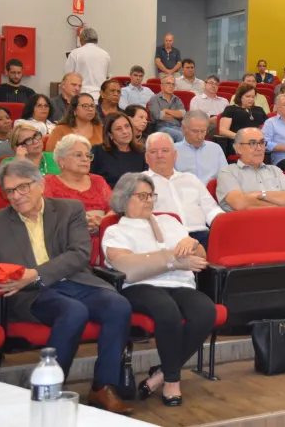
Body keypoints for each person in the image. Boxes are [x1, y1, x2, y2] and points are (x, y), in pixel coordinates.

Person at [0, 159, 133, 414]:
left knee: (118, 305)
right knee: (73, 311)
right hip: (30, 294)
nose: (16, 196)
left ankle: (104, 385)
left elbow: (79, 253)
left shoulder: (70, 210)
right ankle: (49, 392)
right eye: (9, 191)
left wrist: (37, 273)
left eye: (22, 187)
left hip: (73, 280)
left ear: (40, 185)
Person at [102, 173, 216, 407]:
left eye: (151, 195)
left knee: (206, 310)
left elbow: (201, 258)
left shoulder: (170, 222)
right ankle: (172, 381)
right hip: (140, 287)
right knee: (167, 311)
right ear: (124, 199)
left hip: (179, 284)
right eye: (141, 196)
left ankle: (161, 373)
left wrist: (194, 244)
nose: (149, 201)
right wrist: (174, 259)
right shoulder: (116, 231)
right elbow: (129, 267)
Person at [145, 133, 224, 247]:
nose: (160, 155)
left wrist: (223, 222)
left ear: (175, 155)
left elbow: (211, 209)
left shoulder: (190, 179)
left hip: (202, 236)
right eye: (153, 152)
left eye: (165, 150)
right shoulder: (140, 183)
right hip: (166, 240)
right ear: (146, 157)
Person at [44, 134, 113, 255]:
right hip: (68, 245)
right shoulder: (48, 183)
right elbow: (47, 219)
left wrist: (103, 221)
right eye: (78, 155)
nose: (85, 159)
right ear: (61, 160)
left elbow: (115, 209)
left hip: (104, 238)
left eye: (88, 156)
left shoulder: (98, 181)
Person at [216, 127, 285, 211]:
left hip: (280, 222)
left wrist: (260, 194)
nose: (259, 148)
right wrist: (279, 206)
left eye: (262, 142)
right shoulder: (228, 173)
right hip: (247, 222)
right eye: (252, 143)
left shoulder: (274, 170)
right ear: (238, 148)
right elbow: (240, 204)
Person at [90, 112, 146, 188]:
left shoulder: (141, 152)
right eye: (118, 129)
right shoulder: (98, 152)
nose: (125, 131)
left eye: (127, 126)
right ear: (110, 134)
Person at [175, 110, 226, 184]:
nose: (199, 136)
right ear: (183, 128)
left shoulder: (215, 148)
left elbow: (225, 177)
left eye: (203, 131)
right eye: (194, 131)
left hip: (210, 193)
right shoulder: (172, 150)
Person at [64, 27, 110, 99]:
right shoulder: (105, 54)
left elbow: (68, 76)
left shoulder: (75, 53)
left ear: (81, 39)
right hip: (100, 96)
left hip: (81, 95)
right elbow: (107, 76)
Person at [147, 75, 186, 142]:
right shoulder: (154, 98)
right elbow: (158, 115)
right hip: (162, 128)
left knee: (192, 134)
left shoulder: (177, 99)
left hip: (178, 127)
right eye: (168, 83)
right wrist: (176, 114)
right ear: (161, 86)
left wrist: (167, 111)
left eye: (173, 84)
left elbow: (183, 114)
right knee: (180, 135)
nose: (171, 86)